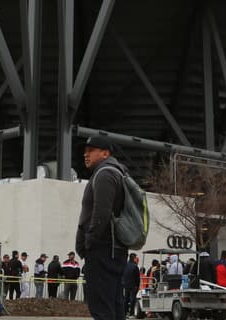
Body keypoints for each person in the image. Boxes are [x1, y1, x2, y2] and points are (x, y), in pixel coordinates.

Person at [75, 136, 131, 320]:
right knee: (113, 305)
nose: (86, 154)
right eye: (85, 151)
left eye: (91, 150)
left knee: (101, 308)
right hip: (113, 249)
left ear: (105, 153)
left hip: (103, 250)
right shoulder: (116, 173)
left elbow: (101, 214)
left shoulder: (105, 174)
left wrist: (89, 243)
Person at [121, 253, 141, 318]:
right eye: (136, 258)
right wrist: (137, 286)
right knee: (132, 299)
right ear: (134, 258)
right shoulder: (135, 266)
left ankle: (124, 313)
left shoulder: (125, 265)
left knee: (126, 299)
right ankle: (131, 313)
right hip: (133, 285)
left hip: (126, 285)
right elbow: (137, 278)